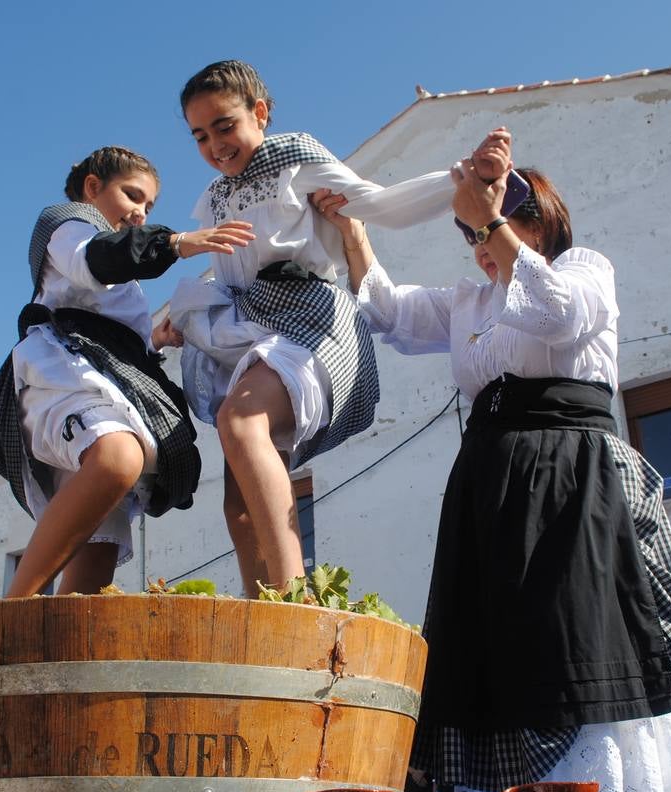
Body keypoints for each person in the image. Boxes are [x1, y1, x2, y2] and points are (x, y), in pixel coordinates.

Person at [317, 131, 671, 792]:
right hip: (494, 493)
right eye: (467, 232)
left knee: (590, 641)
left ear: (540, 219)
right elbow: (391, 314)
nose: (480, 244)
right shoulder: (471, 301)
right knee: (517, 658)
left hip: (573, 480)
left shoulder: (582, 269)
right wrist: (354, 232)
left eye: (494, 224)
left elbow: (560, 317)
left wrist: (495, 218)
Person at [170, 59, 457, 594]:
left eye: (225, 125)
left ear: (259, 112)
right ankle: (262, 612)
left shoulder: (297, 154)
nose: (215, 144)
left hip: (311, 315)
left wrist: (460, 180)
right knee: (237, 503)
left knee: (240, 421)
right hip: (252, 326)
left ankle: (291, 598)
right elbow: (227, 272)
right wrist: (178, 321)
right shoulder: (214, 198)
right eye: (200, 136)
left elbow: (378, 204)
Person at [0, 146, 254, 597]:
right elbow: (94, 260)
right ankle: (15, 609)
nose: (140, 213)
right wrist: (175, 242)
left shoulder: (122, 273)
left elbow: (115, 332)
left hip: (102, 385)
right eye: (133, 196)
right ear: (93, 187)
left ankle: (58, 657)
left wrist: (156, 338)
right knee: (118, 458)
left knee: (97, 558)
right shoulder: (68, 223)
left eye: (149, 207)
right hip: (63, 378)